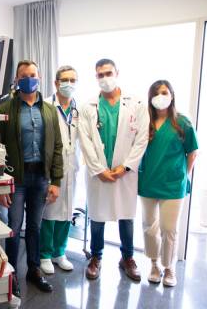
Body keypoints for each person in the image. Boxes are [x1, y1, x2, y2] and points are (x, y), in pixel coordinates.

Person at [0, 60, 63, 296]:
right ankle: (11, 274)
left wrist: (56, 181)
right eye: (23, 75)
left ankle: (33, 270)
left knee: (34, 226)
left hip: (41, 177)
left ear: (39, 77)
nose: (28, 79)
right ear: (16, 80)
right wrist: (1, 185)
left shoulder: (49, 110)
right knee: (14, 227)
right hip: (16, 179)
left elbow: (56, 146)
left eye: (32, 74)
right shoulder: (4, 110)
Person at [79, 58, 149, 281]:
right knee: (97, 217)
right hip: (99, 173)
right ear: (95, 77)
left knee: (126, 217)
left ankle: (127, 257)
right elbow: (85, 140)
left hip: (124, 174)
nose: (105, 78)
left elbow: (142, 138)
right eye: (100, 75)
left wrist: (126, 167)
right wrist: (99, 169)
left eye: (108, 73)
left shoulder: (136, 104)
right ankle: (96, 257)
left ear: (117, 72)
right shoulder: (88, 106)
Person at [138, 80, 198, 287]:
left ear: (172, 95)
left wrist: (183, 174)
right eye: (156, 93)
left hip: (173, 184)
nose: (160, 96)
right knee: (149, 227)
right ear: (150, 97)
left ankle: (169, 267)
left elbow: (193, 152)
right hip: (147, 181)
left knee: (169, 228)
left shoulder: (183, 123)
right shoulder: (144, 121)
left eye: (164, 92)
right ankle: (154, 264)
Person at [40, 65, 80, 274]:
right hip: (50, 168)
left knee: (66, 211)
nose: (69, 84)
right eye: (65, 80)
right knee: (50, 211)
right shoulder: (46, 106)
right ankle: (45, 254)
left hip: (72, 166)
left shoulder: (78, 109)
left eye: (73, 80)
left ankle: (59, 252)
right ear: (56, 83)